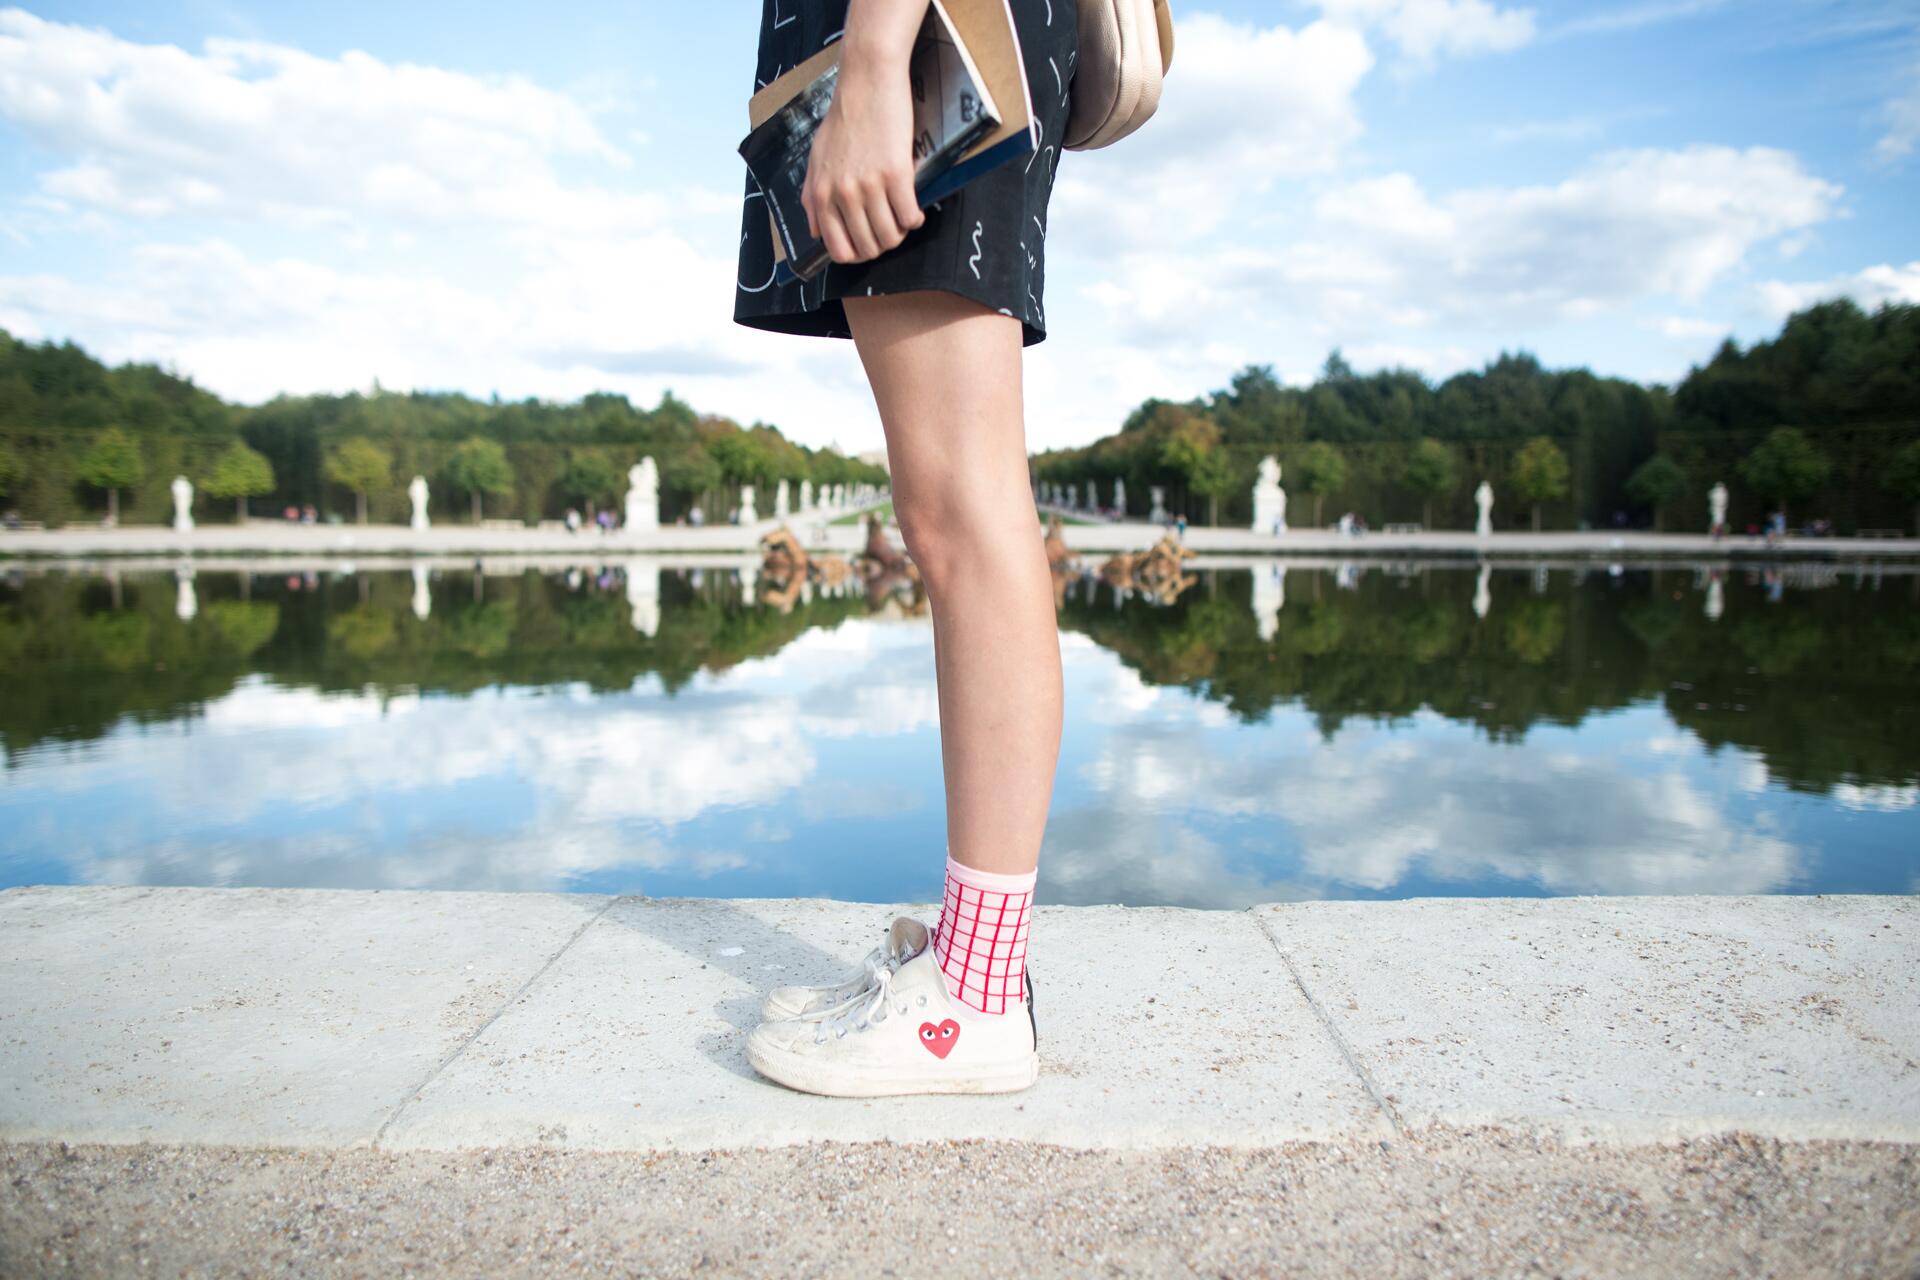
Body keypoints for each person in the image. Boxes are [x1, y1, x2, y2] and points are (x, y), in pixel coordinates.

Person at [732, 0, 1076, 1098]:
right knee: (944, 509)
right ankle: (969, 960)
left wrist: (878, 55)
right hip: (915, 30)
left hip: (927, 33)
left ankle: (976, 997)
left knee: (963, 510)